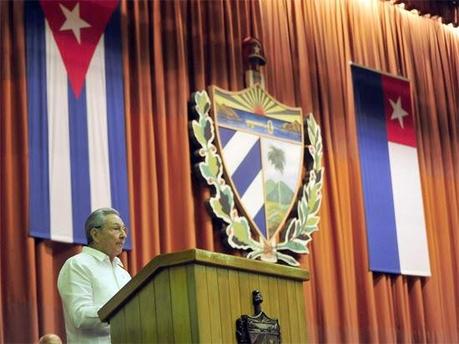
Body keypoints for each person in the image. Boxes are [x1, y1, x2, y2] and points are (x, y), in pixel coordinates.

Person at [57, 208, 131, 343]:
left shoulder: (123, 273)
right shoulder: (77, 265)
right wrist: (123, 312)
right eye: (116, 229)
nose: (123, 235)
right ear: (95, 234)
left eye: (124, 229)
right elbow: (80, 316)